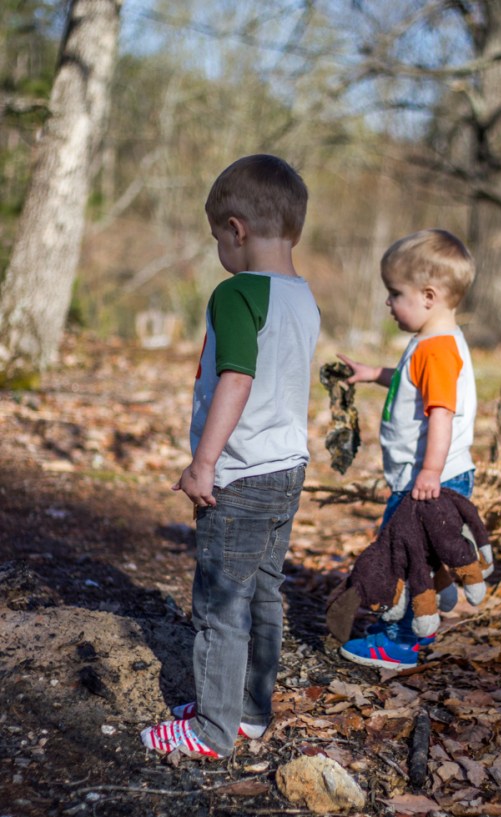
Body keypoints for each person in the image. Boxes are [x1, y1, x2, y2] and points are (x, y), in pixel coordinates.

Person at [140, 154, 320, 760]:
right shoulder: (302, 297)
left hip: (241, 474)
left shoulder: (238, 292)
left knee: (220, 602)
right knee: (265, 591)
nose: (220, 246)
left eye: (218, 235)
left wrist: (204, 462)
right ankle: (249, 711)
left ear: (236, 229)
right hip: (288, 468)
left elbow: (236, 379)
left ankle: (210, 731)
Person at [337, 228, 477, 670]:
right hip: (427, 477)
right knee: (422, 556)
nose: (388, 303)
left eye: (395, 294)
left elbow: (441, 414)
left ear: (429, 295)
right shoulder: (433, 342)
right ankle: (425, 616)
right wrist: (372, 373)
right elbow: (408, 384)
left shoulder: (436, 350)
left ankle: (397, 643)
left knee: (403, 558)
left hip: (427, 481)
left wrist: (430, 472)